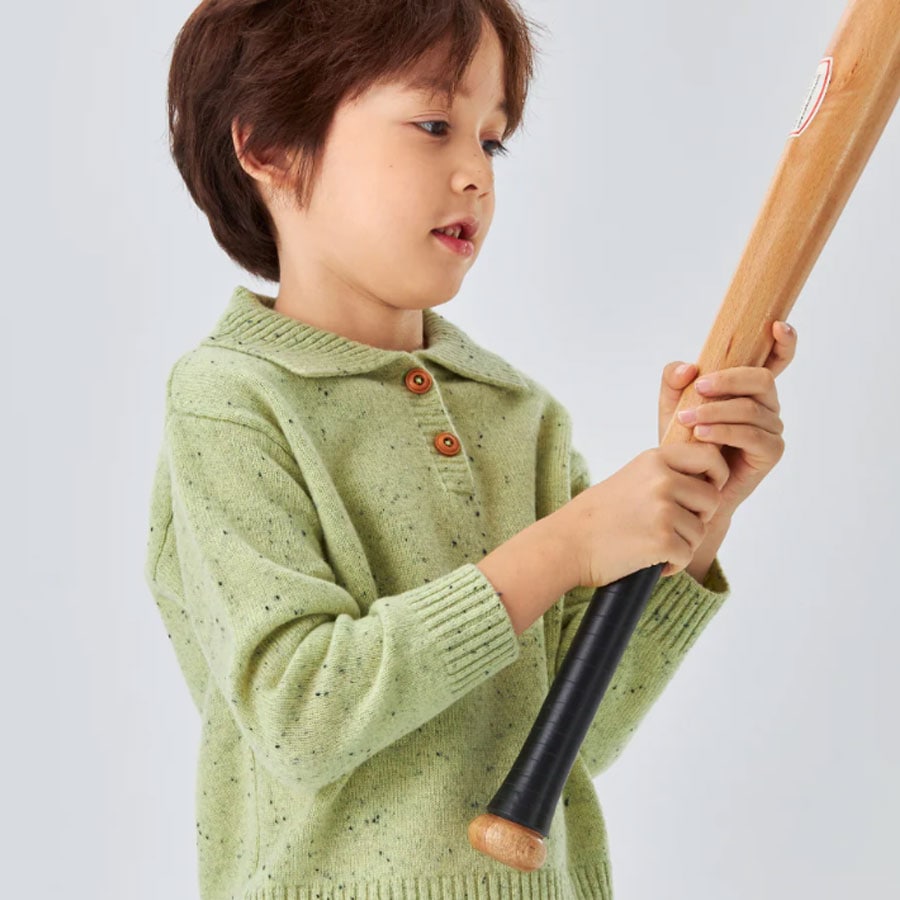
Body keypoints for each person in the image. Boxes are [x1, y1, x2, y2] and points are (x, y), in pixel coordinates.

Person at [143, 1, 797, 898]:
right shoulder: (230, 401)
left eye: (491, 142)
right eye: (432, 125)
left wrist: (696, 517)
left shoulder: (520, 415)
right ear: (269, 147)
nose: (475, 175)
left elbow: (581, 735)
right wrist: (565, 547)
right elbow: (301, 717)